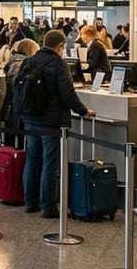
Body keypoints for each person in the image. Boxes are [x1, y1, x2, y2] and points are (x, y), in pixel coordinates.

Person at [20, 30, 95, 217]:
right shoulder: (58, 64)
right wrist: (83, 111)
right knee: (50, 164)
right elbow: (68, 95)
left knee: (32, 160)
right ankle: (48, 206)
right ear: (60, 46)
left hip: (30, 118)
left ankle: (30, 202)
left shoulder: (29, 60)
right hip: (51, 122)